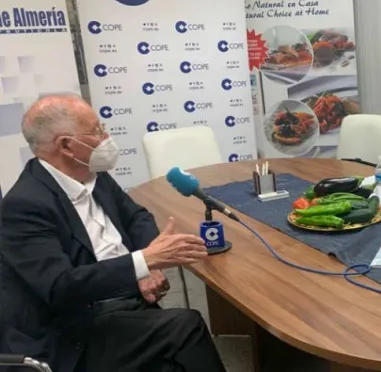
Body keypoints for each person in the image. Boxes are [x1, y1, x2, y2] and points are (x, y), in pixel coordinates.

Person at [0, 95, 227, 372]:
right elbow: (61, 287)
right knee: (186, 327)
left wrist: (150, 260)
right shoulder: (24, 205)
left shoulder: (92, 174)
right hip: (75, 328)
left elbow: (136, 216)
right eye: (97, 130)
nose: (106, 137)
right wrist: (144, 261)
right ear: (67, 145)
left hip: (123, 297)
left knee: (175, 360)